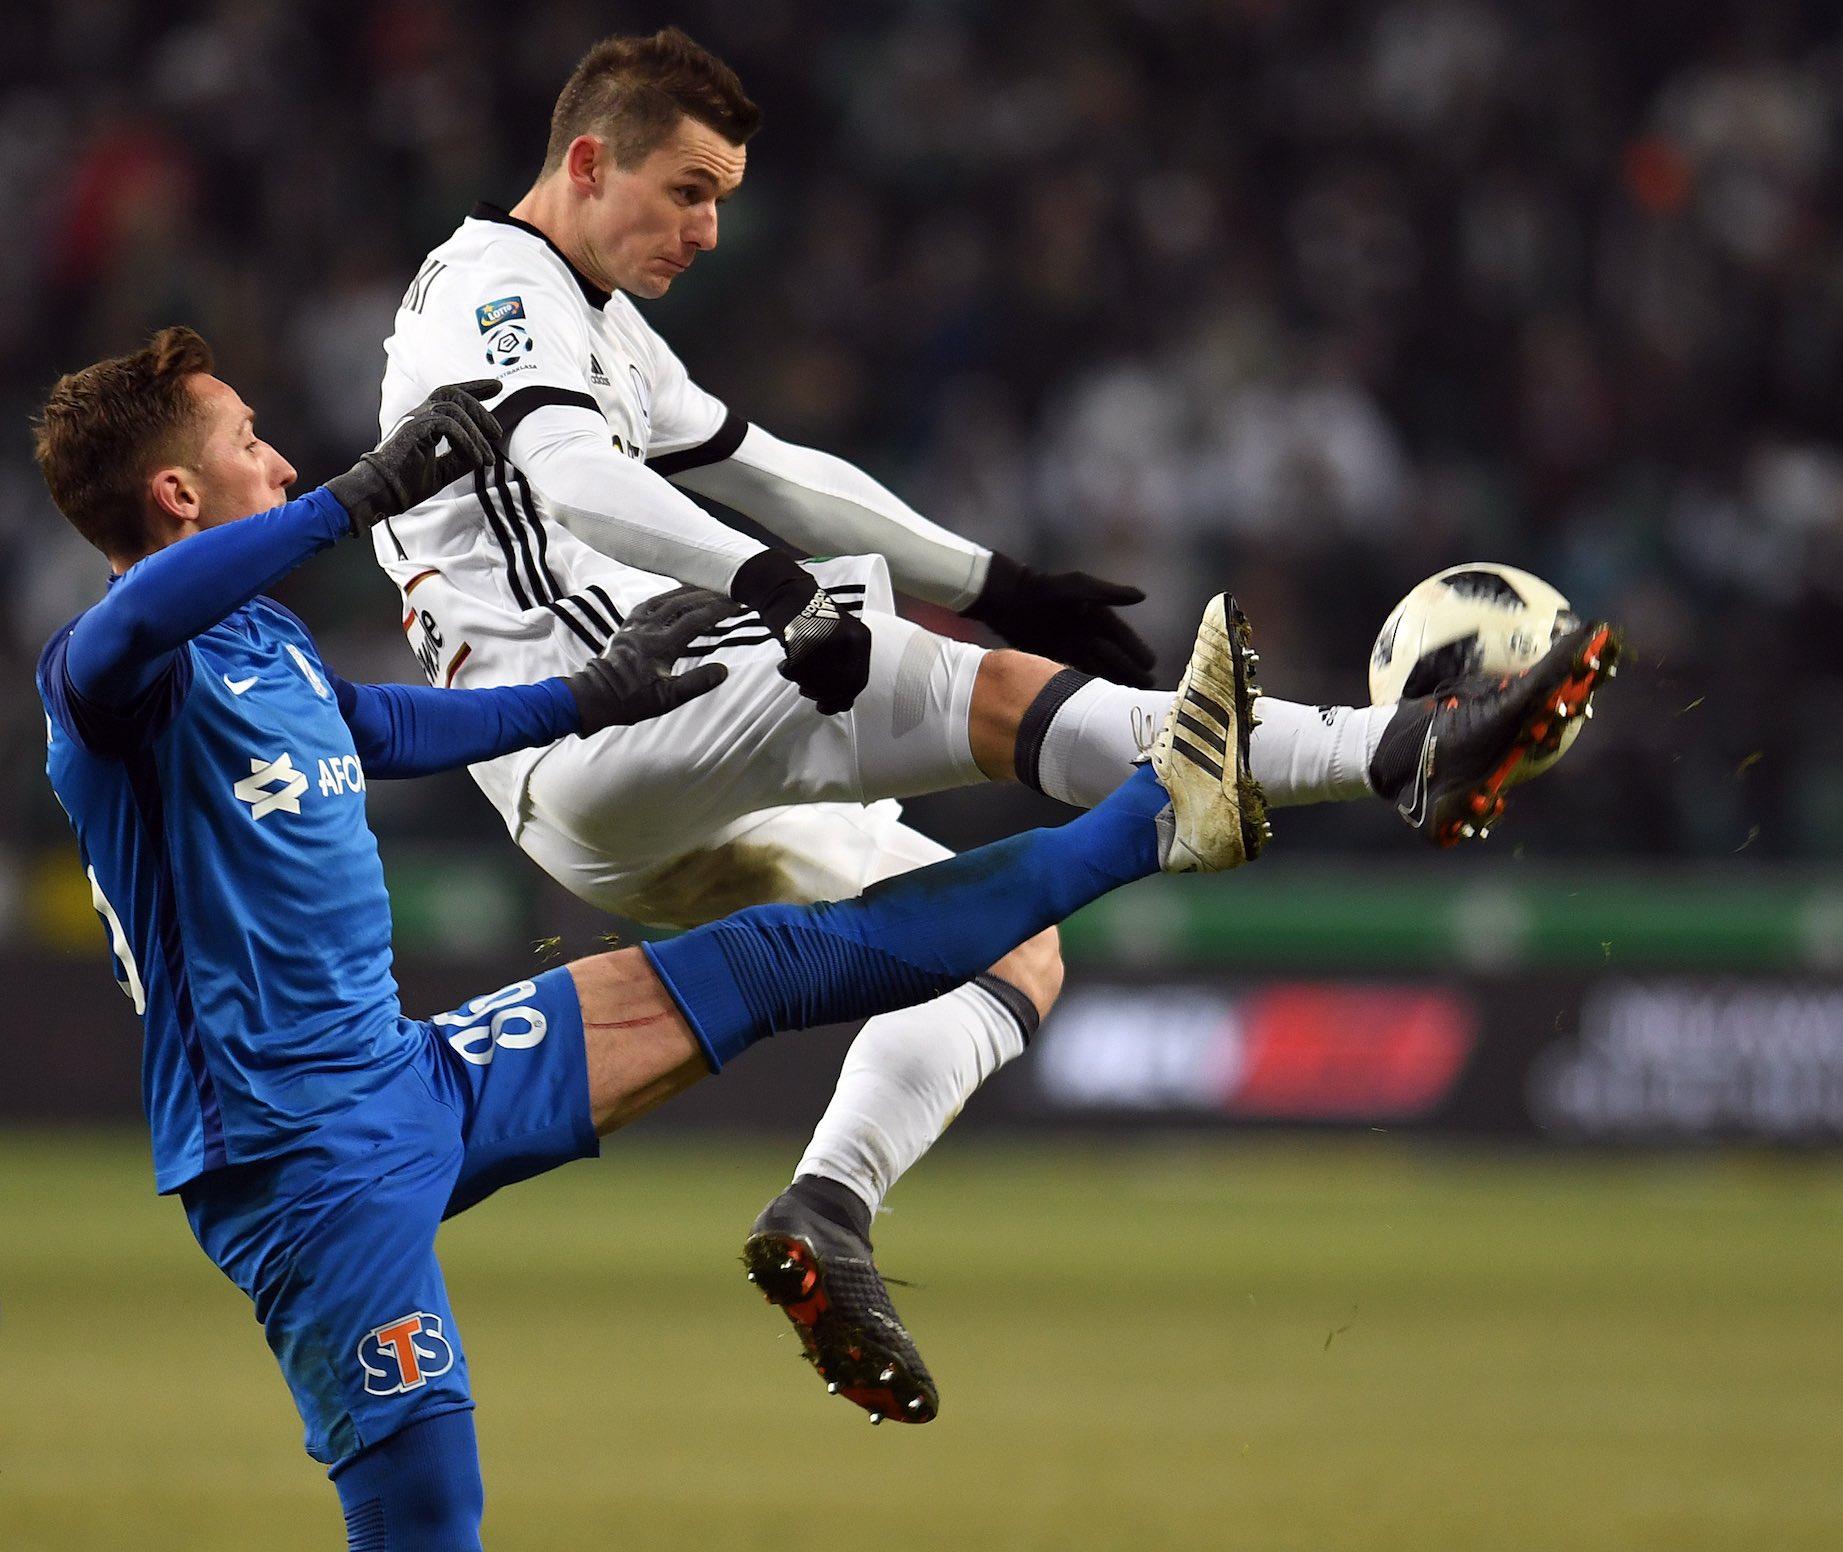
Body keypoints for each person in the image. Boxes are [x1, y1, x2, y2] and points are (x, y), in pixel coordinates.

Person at [372, 26, 1624, 1422]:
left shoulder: (591, 313)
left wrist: (996, 581)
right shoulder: (494, 287)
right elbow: (572, 475)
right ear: (589, 161)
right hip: (603, 705)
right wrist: (778, 587)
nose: (710, 230)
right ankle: (1401, 752)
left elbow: (765, 469)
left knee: (1009, 953)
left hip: (620, 780)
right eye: (688, 191)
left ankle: (827, 1209)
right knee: (978, 694)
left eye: (721, 197)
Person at [30, 325, 1297, 1548]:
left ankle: (1158, 815)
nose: (281, 460)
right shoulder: (105, 678)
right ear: (178, 493)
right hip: (294, 1162)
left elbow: (386, 728)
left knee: (774, 961)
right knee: (424, 1519)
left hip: (413, 1075)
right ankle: (1158, 813)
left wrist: (591, 696)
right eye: (248, 441)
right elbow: (133, 624)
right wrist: (361, 497)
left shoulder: (260, 639)